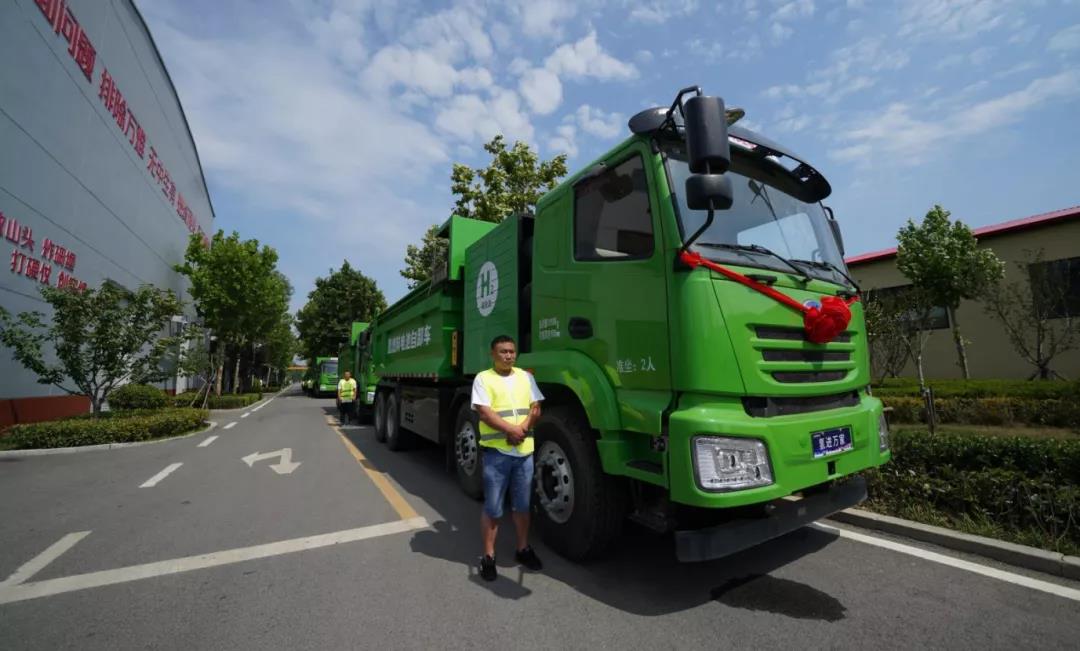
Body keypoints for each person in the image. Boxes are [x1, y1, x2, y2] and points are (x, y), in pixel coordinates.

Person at [471, 334, 544, 581]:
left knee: (522, 507)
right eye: (503, 352)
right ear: (493, 354)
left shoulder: (526, 377)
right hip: (497, 454)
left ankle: (522, 549)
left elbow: (536, 407)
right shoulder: (483, 378)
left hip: (524, 452)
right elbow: (484, 412)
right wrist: (509, 430)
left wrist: (522, 428)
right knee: (493, 508)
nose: (508, 356)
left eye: (512, 351)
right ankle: (489, 557)